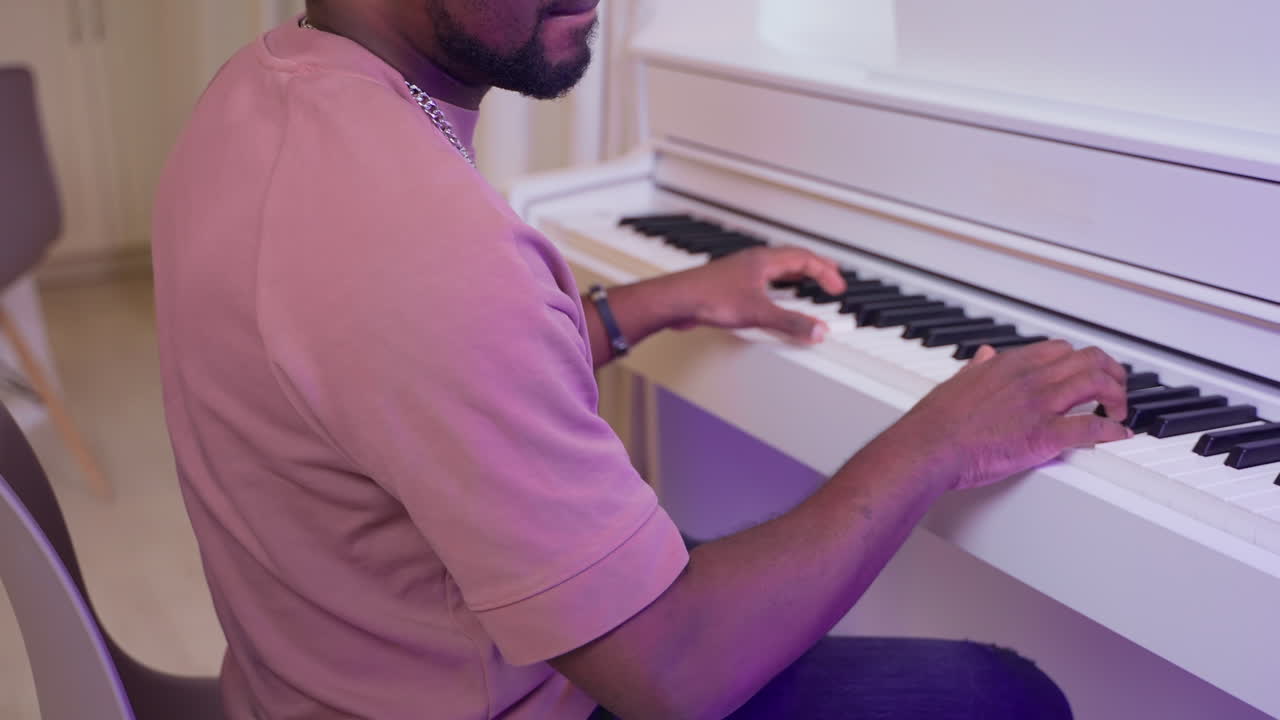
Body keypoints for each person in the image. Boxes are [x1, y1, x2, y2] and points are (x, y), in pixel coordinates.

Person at [151, 1, 1130, 718]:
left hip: (322, 672)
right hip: (492, 700)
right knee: (1001, 697)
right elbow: (672, 673)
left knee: (702, 540)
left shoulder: (262, 92)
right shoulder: (420, 235)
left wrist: (651, 303)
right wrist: (935, 440)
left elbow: (394, 378)